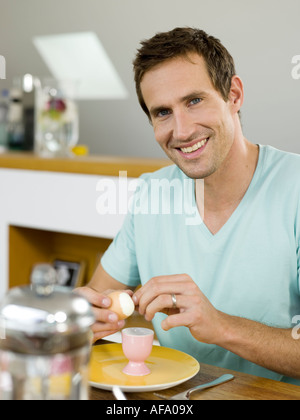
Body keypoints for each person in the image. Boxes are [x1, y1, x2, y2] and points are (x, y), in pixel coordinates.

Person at [77, 27, 300, 385]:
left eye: (194, 100)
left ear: (234, 95)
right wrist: (87, 315)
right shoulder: (152, 193)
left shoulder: (295, 190)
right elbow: (98, 299)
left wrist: (221, 326)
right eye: (163, 112)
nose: (181, 131)